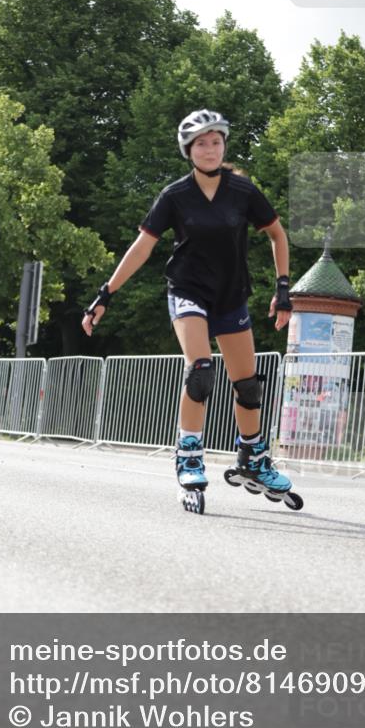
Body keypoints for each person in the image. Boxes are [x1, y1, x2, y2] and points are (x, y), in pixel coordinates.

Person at [82, 109, 295, 512]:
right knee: (201, 371)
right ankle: (189, 456)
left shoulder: (243, 191)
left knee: (248, 385)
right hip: (188, 291)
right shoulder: (174, 196)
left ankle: (253, 458)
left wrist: (283, 289)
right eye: (201, 143)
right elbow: (142, 248)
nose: (210, 149)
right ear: (188, 150)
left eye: (216, 142)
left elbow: (277, 235)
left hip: (231, 295)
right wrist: (105, 294)